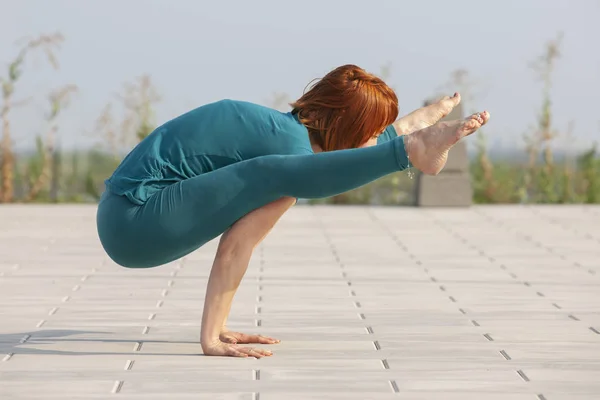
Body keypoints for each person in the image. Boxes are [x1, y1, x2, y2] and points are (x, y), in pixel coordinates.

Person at [96, 64, 490, 358]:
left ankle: (410, 143)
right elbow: (236, 246)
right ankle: (409, 150)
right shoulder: (288, 155)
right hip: (135, 223)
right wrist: (211, 338)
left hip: (124, 215)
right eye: (373, 130)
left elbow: (356, 149)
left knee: (287, 175)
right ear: (342, 124)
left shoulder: (284, 132)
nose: (371, 140)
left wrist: (419, 120)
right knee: (283, 177)